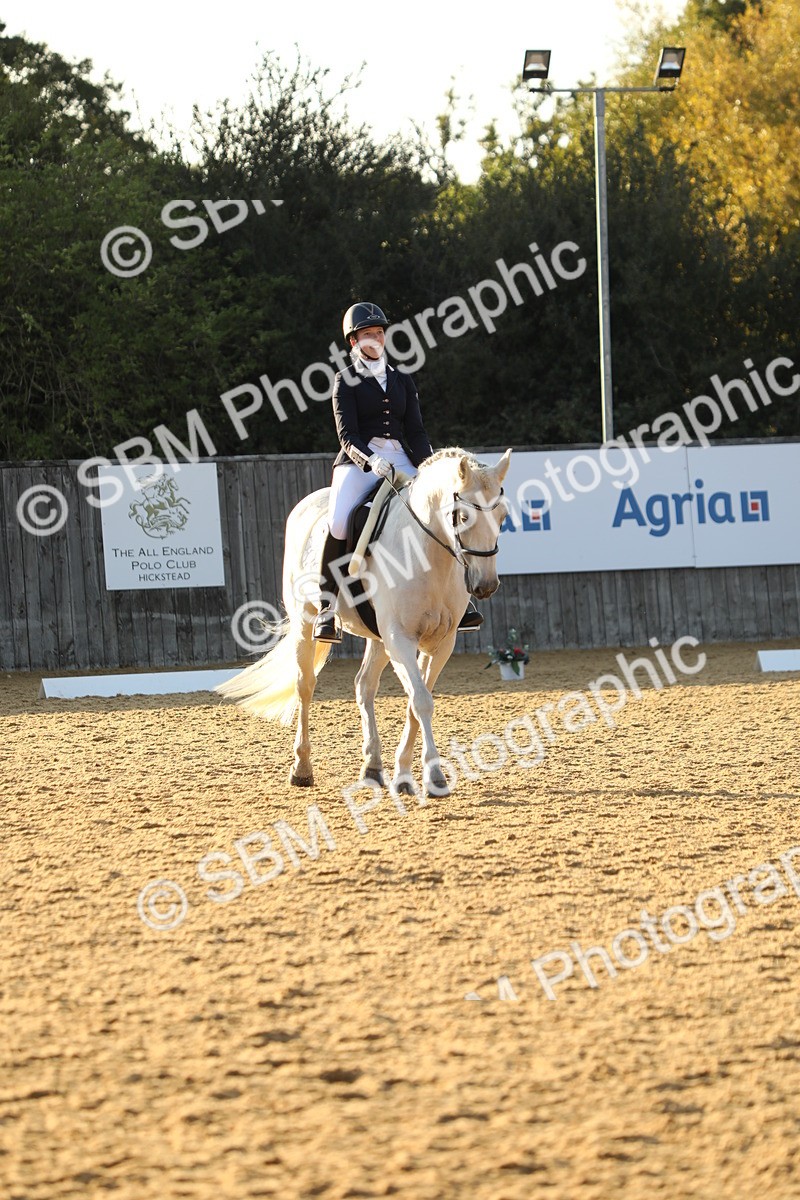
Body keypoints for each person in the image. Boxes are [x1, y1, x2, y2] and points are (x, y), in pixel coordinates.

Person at [313, 301, 483, 642]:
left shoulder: (402, 379)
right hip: (360, 461)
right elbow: (347, 435)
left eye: (379, 333)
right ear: (354, 342)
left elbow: (416, 431)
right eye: (367, 335)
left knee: (440, 511)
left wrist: (428, 467)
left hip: (401, 457)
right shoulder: (345, 380)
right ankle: (327, 607)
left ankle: (460, 600)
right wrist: (369, 461)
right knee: (340, 520)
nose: (376, 339)